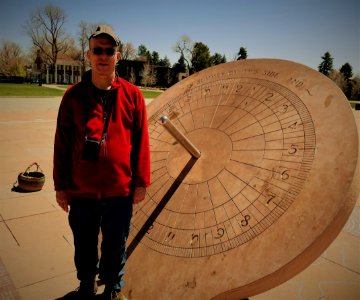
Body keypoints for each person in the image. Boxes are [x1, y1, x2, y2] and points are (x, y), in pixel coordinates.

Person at [53, 25, 150, 300]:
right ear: (89, 54)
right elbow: (61, 144)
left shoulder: (133, 96)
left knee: (115, 246)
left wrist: (141, 181)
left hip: (120, 191)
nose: (103, 56)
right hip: (82, 190)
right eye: (98, 50)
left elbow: (142, 142)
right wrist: (61, 186)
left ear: (117, 56)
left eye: (109, 51)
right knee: (84, 245)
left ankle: (111, 288)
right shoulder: (72, 97)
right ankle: (86, 285)